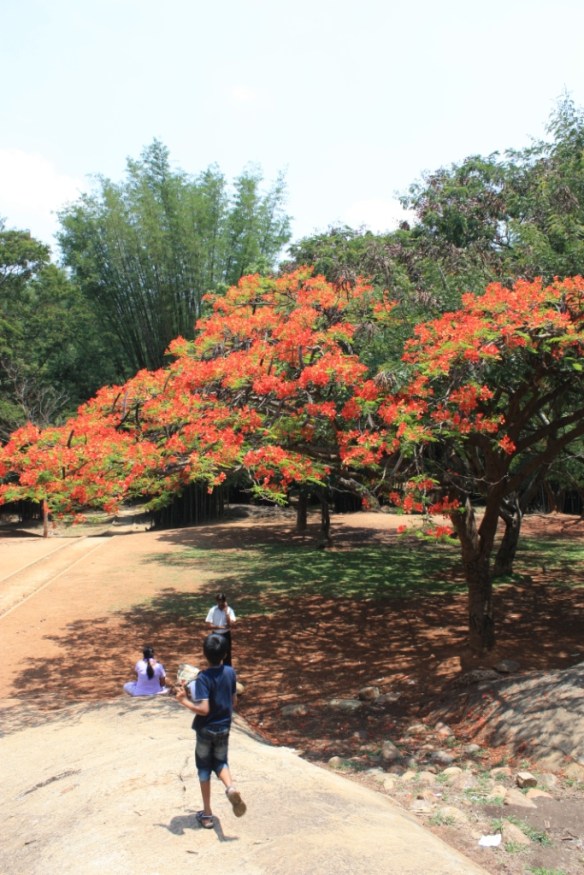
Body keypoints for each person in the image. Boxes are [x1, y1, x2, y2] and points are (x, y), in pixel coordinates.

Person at [175, 633, 246, 829]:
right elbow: (234, 701)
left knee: (204, 769)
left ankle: (207, 815)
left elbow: (204, 709)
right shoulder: (230, 672)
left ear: (205, 654)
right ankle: (230, 788)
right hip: (224, 727)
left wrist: (184, 700)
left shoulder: (204, 678)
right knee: (221, 762)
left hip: (205, 730)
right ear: (225, 654)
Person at [205, 591, 236, 666]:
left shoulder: (229, 610)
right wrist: (220, 627)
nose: (220, 604)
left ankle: (227, 670)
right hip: (215, 635)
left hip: (226, 635)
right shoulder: (212, 610)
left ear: (225, 601)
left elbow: (230, 625)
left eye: (222, 601)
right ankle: (215, 670)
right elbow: (208, 625)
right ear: (217, 601)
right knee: (215, 655)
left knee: (227, 655)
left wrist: (226, 613)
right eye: (219, 601)